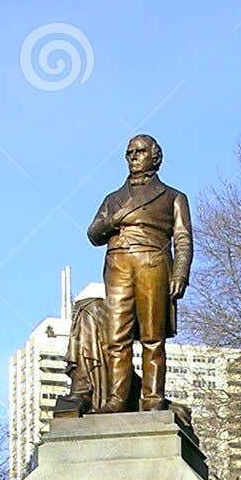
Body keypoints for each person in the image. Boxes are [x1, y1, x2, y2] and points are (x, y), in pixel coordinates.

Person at [86, 133, 192, 411]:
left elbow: (183, 239)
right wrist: (113, 220)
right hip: (118, 265)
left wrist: (180, 274)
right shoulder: (113, 198)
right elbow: (93, 234)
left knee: (152, 336)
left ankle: (153, 398)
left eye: (140, 151)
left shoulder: (173, 196)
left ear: (154, 157)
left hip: (152, 263)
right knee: (116, 336)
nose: (133, 157)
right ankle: (117, 399)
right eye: (129, 152)